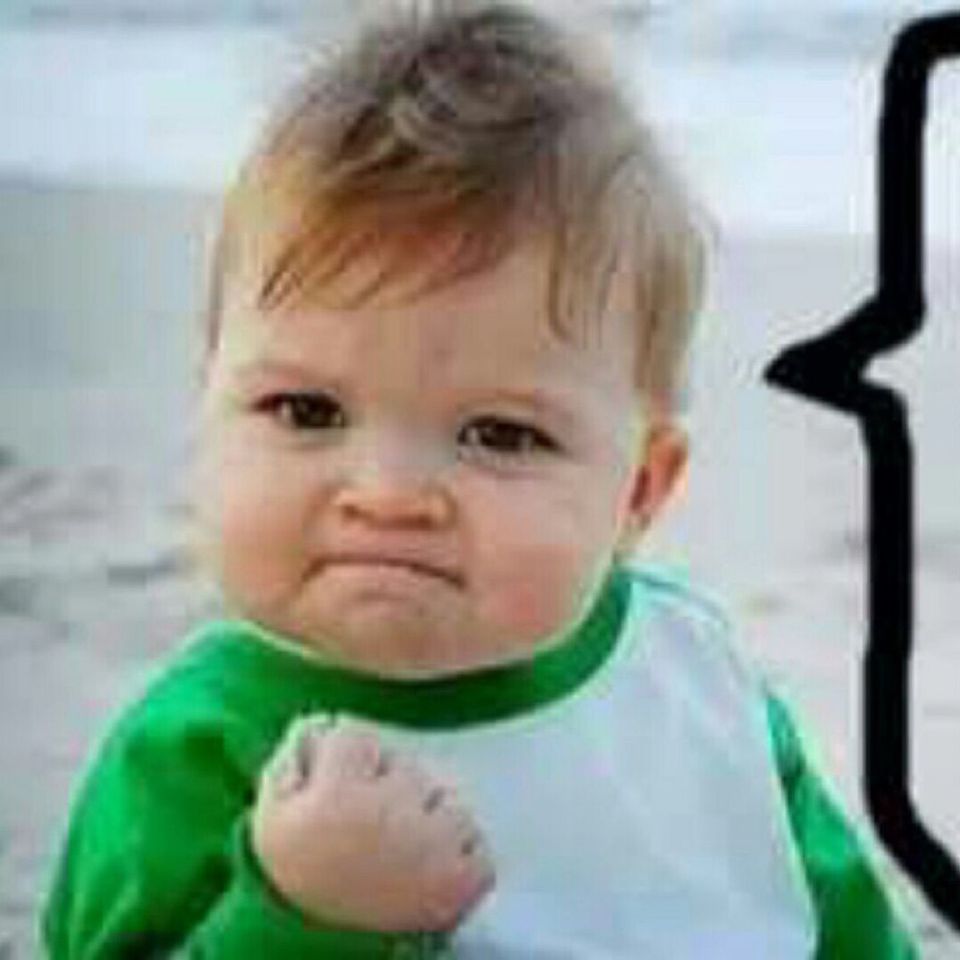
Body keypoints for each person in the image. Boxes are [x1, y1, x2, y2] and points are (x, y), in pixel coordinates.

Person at [41, 2, 920, 956]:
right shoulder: (198, 752)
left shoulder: (695, 683)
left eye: (500, 434)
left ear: (640, 491)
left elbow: (855, 935)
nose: (387, 494)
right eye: (306, 411)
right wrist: (297, 913)